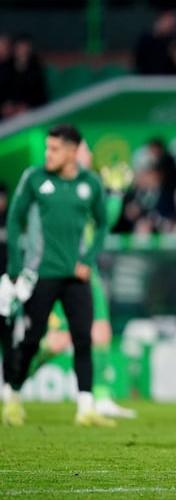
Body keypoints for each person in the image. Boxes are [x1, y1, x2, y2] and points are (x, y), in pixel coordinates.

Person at [2, 124, 113, 427]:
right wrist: (15, 268)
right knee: (32, 339)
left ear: (72, 151)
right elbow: (14, 220)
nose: (47, 154)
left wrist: (88, 260)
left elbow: (102, 224)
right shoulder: (35, 178)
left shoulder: (90, 183)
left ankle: (86, 408)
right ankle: (12, 396)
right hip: (41, 274)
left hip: (76, 276)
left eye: (54, 149)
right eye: (47, 148)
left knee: (83, 339)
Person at [23, 140, 136, 419]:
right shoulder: (52, 185)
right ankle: (14, 377)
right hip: (58, 269)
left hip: (86, 271)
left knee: (100, 333)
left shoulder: (89, 185)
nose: (86, 155)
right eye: (83, 150)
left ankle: (101, 397)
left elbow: (105, 221)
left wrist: (116, 193)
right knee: (59, 340)